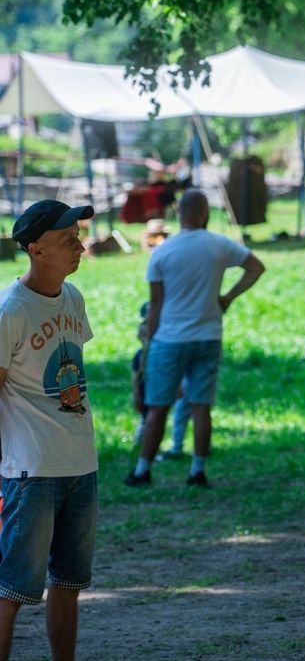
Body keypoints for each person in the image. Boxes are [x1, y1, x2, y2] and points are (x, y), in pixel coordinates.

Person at [0, 199, 98, 661]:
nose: (80, 246)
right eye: (68, 240)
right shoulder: (9, 310)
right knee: (12, 591)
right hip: (31, 471)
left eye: (78, 236)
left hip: (81, 464)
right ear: (36, 250)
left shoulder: (73, 297)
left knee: (69, 583)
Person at [125, 189, 265, 488]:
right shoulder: (219, 245)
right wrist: (228, 297)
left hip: (170, 338)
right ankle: (197, 470)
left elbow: (157, 303)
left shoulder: (162, 251)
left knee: (158, 406)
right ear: (204, 213)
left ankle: (142, 470)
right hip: (208, 335)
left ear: (179, 213)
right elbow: (256, 267)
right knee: (201, 406)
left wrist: (148, 340)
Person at [131, 302, 190, 454]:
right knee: (149, 415)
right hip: (147, 381)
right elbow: (136, 375)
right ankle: (144, 443)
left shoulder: (159, 353)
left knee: (157, 413)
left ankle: (154, 445)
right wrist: (136, 392)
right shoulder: (141, 356)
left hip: (157, 379)